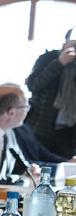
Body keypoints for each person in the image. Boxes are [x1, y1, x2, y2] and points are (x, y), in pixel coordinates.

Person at [25, 27, 76, 155]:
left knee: (65, 171)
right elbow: (33, 85)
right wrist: (59, 63)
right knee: (37, 168)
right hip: (41, 127)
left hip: (69, 134)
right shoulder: (48, 58)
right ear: (65, 43)